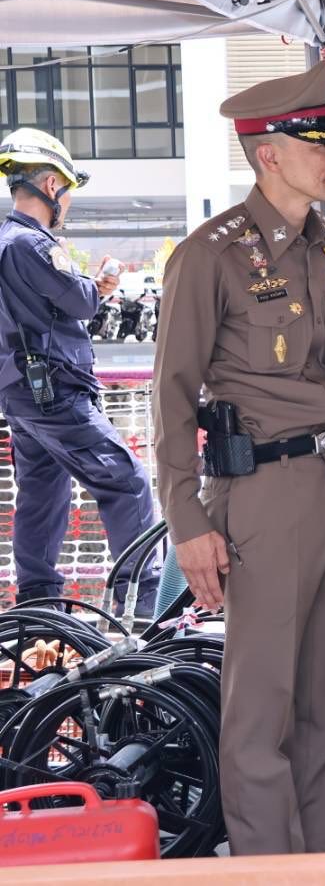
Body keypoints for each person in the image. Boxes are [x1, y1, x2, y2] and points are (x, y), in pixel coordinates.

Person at [151, 61, 325, 855]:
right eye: (320, 144)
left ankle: (318, 860)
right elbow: (171, 396)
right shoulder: (209, 254)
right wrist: (187, 521)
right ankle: (269, 866)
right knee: (263, 701)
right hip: (261, 491)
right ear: (269, 153)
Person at [0, 129, 160, 614]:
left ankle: (39, 608)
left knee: (42, 494)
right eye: (67, 191)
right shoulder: (32, 244)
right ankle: (143, 604)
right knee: (127, 481)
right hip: (55, 393)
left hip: (24, 395)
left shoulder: (6, 242)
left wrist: (90, 287)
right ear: (52, 185)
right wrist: (101, 281)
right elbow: (80, 301)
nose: (66, 203)